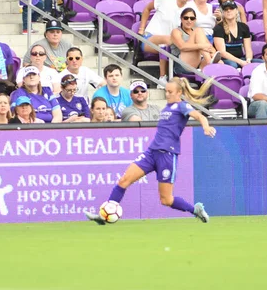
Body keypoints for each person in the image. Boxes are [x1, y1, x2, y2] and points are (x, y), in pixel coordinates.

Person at [85, 77, 216, 225]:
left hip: (167, 155)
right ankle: (104, 215)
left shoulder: (182, 106)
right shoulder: (166, 108)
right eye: (166, 91)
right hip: (151, 153)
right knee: (124, 180)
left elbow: (199, 116)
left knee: (166, 200)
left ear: (179, 92)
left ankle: (195, 210)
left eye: (170, 92)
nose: (167, 94)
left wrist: (205, 127)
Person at [138, 0, 193, 85]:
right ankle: (163, 77)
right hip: (151, 38)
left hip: (172, 44)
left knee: (169, 43)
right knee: (168, 40)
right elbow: (147, 9)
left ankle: (164, 78)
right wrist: (141, 29)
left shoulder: (190, 9)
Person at [171, 7, 219, 76]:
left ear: (195, 20)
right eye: (186, 18)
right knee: (198, 30)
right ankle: (209, 62)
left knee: (220, 63)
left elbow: (209, 47)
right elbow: (182, 47)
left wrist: (212, 53)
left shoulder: (197, 33)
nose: (189, 20)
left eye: (192, 18)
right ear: (181, 19)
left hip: (197, 63)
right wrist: (201, 46)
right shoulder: (176, 31)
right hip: (181, 64)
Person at [212, 1, 252, 68]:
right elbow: (222, 52)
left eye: (231, 9)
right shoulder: (218, 28)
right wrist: (240, 62)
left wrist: (248, 60)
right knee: (233, 65)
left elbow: (248, 49)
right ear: (223, 13)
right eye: (226, 9)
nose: (228, 11)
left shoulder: (244, 27)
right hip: (226, 60)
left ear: (236, 11)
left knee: (260, 63)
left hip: (241, 58)